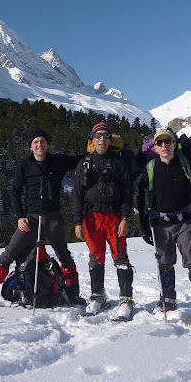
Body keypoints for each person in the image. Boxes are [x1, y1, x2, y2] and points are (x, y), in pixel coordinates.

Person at [0, 127, 84, 309]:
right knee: (9, 254)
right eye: (35, 142)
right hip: (31, 220)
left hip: (53, 218)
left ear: (47, 144)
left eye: (42, 141)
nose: (39, 144)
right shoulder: (24, 166)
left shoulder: (58, 161)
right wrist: (20, 217)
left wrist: (95, 147)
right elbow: (15, 192)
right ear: (30, 147)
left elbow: (81, 161)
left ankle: (73, 295)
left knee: (64, 257)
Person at [138, 128, 191, 327]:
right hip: (160, 223)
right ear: (155, 146)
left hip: (185, 220)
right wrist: (144, 226)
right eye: (160, 142)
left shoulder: (186, 163)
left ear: (174, 144)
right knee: (164, 261)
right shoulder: (150, 168)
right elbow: (141, 199)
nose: (164, 145)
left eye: (168, 141)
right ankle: (168, 299)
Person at [72, 122, 134, 320]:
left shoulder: (119, 163)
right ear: (92, 140)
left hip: (115, 218)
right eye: (98, 136)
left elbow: (127, 194)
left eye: (106, 136)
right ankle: (97, 296)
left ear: (110, 139)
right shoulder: (85, 164)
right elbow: (77, 195)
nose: (102, 140)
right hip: (92, 218)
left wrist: (126, 218)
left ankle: (126, 299)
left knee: (120, 258)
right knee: (95, 257)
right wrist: (77, 221)